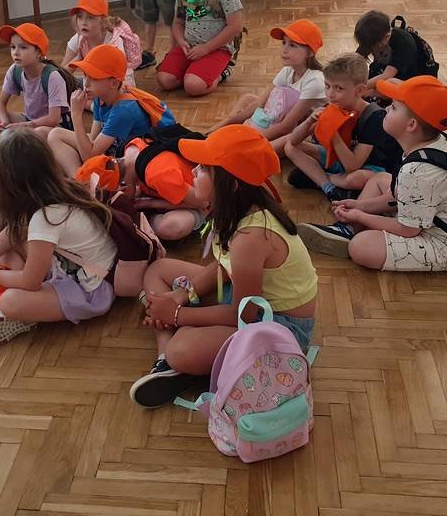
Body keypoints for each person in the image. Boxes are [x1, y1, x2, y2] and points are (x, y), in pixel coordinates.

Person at [128, 125, 318, 408]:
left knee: (182, 350)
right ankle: (168, 361)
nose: (194, 171)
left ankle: (174, 358)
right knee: (158, 270)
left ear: (230, 185)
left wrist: (177, 315)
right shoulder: (236, 210)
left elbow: (243, 315)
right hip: (249, 300)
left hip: (277, 326)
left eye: (203, 168)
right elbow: (225, 266)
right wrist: (181, 296)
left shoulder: (251, 236)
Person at [0, 128, 118, 345]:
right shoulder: (54, 191)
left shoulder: (45, 217)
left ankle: (26, 316)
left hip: (92, 290)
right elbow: (15, 230)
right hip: (73, 267)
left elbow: (30, 281)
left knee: (9, 301)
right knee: (6, 253)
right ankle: (30, 305)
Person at [305, 76, 447, 272]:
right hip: (429, 218)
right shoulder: (430, 143)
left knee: (360, 246)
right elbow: (398, 195)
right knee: (379, 179)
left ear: (411, 125)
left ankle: (353, 230)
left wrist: (361, 216)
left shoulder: (418, 172)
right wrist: (360, 205)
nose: (386, 109)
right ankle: (348, 229)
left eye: (394, 107)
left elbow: (408, 230)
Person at [284, 53, 401, 201]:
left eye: (339, 88)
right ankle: (330, 188)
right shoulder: (333, 106)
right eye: (327, 86)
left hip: (367, 168)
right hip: (338, 161)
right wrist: (309, 121)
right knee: (289, 147)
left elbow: (353, 166)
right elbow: (293, 142)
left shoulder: (374, 117)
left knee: (355, 179)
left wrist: (333, 133)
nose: (330, 94)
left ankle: (319, 178)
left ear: (359, 90)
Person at [47, 44, 175, 176]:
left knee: (57, 137)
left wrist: (76, 115)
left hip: (137, 164)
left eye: (94, 78)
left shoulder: (124, 110)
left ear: (114, 83)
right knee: (51, 134)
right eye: (85, 75)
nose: (86, 84)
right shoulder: (100, 98)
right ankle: (80, 178)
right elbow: (94, 140)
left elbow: (90, 156)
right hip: (114, 152)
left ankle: (80, 181)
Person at [206, 19, 326, 155]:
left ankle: (242, 145)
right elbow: (260, 103)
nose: (284, 50)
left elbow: (285, 127)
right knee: (247, 99)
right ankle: (219, 135)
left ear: (310, 53)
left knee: (266, 148)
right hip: (287, 117)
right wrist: (220, 127)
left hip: (308, 131)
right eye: (284, 43)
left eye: (292, 45)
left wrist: (246, 140)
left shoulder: (315, 81)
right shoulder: (288, 70)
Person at [74, 135, 210, 242]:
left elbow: (203, 202)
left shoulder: (157, 175)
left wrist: (151, 203)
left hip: (206, 198)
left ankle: (143, 222)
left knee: (170, 227)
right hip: (181, 186)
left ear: (123, 185)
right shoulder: (130, 146)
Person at [156, 0, 244, 97]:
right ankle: (194, 70)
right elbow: (178, 22)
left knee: (193, 86)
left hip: (217, 48)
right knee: (164, 80)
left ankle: (221, 73)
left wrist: (206, 49)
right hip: (190, 47)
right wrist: (181, 41)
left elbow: (235, 27)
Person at [0, 22, 75, 134]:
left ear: (38, 52)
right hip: (31, 121)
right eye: (13, 47)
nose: (15, 52)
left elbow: (53, 119)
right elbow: (0, 103)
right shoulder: (14, 70)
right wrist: (5, 124)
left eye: (23, 47)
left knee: (39, 132)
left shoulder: (52, 76)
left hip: (56, 127)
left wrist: (23, 126)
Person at [61, 0, 141, 87]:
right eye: (80, 17)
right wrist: (78, 58)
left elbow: (116, 84)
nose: (83, 22)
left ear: (103, 21)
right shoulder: (79, 39)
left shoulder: (114, 44)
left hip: (117, 87)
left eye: (90, 17)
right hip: (91, 85)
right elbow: (60, 75)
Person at [354, 10, 437, 92]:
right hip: (390, 70)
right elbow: (355, 61)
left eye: (374, 46)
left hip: (415, 80)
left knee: (382, 88)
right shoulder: (373, 38)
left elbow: (387, 75)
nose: (370, 49)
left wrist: (358, 89)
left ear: (387, 37)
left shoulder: (404, 44)